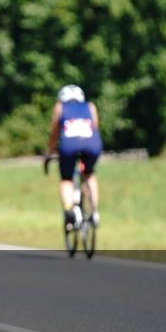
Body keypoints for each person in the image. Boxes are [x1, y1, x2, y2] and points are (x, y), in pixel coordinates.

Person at [47, 84, 103, 229]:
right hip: (92, 145)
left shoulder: (60, 107)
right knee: (89, 174)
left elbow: (54, 133)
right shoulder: (91, 106)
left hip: (69, 146)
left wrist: (49, 152)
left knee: (66, 178)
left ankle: (68, 210)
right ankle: (94, 211)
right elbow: (95, 127)